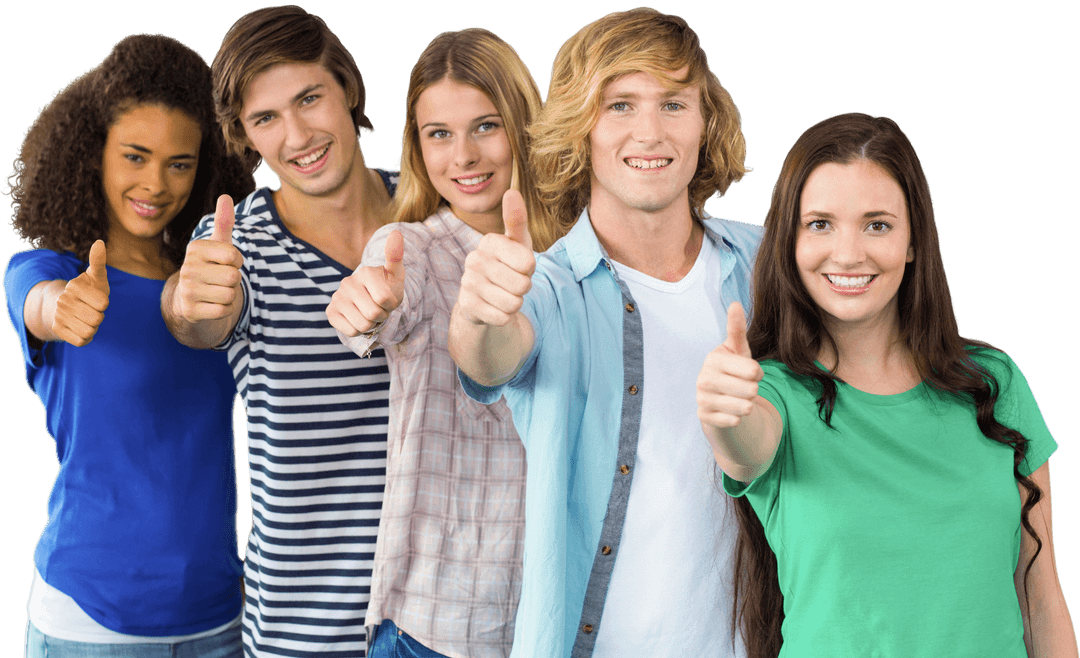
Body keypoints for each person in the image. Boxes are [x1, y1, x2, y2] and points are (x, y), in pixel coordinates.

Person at [697, 112, 1078, 657]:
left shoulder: (994, 383)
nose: (849, 254)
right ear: (788, 243)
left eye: (877, 224)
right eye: (820, 224)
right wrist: (722, 415)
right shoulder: (773, 393)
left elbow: (1041, 596)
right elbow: (744, 446)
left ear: (913, 242)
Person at [448, 8, 760, 658]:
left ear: (706, 122)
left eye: (674, 103)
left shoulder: (769, 266)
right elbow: (490, 358)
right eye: (619, 104)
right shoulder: (548, 288)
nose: (650, 131)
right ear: (580, 127)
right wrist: (481, 316)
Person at [3, 33, 255, 657]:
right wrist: (60, 308)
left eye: (180, 163)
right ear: (94, 153)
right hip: (90, 623)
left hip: (220, 618)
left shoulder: (214, 279)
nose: (157, 184)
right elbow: (38, 306)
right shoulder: (45, 270)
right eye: (135, 156)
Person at [159, 6, 397, 656]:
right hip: (303, 636)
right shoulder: (241, 246)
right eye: (266, 119)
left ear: (347, 87)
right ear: (245, 136)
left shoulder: (436, 215)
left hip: (450, 627)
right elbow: (200, 315)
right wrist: (192, 300)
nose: (297, 136)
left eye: (309, 98)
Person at [326, 28, 558, 658]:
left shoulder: (576, 257)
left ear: (522, 126)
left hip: (557, 622)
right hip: (439, 628)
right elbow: (378, 304)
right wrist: (366, 304)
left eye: (486, 126)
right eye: (439, 134)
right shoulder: (414, 252)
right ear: (416, 145)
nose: (464, 156)